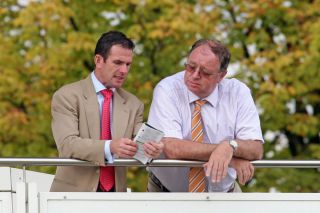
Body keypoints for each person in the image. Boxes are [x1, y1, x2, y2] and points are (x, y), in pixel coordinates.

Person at [50, 31, 163, 192]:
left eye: (128, 64)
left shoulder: (134, 103)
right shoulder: (66, 95)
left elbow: (138, 145)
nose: (124, 70)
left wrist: (151, 149)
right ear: (98, 60)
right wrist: (110, 147)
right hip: (72, 196)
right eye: (118, 62)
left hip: (116, 197)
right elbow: (67, 145)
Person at [147, 38, 264, 193]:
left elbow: (256, 149)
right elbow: (173, 148)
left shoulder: (238, 92)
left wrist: (230, 146)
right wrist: (229, 156)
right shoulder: (167, 89)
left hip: (224, 195)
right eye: (190, 67)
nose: (194, 75)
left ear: (221, 76)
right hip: (166, 192)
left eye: (205, 72)